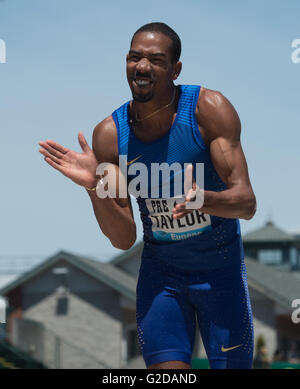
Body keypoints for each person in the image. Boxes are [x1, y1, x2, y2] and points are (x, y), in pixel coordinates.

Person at [39, 22, 256, 369]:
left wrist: (207, 200)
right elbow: (124, 238)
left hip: (221, 270)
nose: (141, 66)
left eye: (155, 60)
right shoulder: (110, 136)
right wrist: (94, 188)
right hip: (162, 276)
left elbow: (247, 203)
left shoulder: (208, 110)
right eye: (134, 57)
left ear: (175, 69)